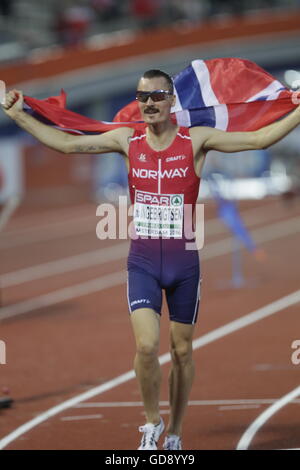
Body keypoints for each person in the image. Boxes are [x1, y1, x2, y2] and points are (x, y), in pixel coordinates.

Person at [2, 70, 300, 450]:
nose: (149, 104)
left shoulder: (197, 140)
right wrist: (18, 116)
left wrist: (297, 113)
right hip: (143, 262)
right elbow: (64, 144)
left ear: (172, 100)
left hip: (184, 264)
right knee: (146, 347)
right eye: (142, 97)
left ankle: (175, 431)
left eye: (157, 96)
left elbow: (259, 139)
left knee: (182, 351)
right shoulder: (128, 140)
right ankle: (151, 423)